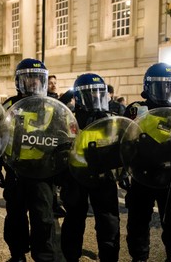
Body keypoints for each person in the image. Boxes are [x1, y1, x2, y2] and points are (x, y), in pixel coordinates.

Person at [0, 58, 59, 262]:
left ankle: (43, 256)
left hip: (42, 172)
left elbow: (63, 138)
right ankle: (17, 254)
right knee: (15, 217)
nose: (34, 82)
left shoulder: (52, 106)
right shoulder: (9, 105)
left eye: (38, 78)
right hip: (16, 171)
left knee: (43, 219)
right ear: (20, 81)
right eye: (30, 78)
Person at [124, 62, 171, 262]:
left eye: (170, 86)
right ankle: (139, 258)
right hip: (142, 173)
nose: (165, 91)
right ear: (148, 88)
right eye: (160, 86)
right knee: (137, 223)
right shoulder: (136, 110)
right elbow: (125, 141)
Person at [60, 73, 120, 262]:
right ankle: (71, 257)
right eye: (90, 93)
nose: (95, 97)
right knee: (74, 222)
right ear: (78, 97)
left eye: (98, 93)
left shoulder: (111, 120)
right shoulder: (69, 120)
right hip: (75, 177)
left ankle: (109, 258)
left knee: (109, 223)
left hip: (104, 176)